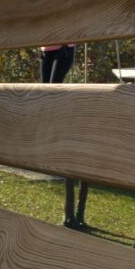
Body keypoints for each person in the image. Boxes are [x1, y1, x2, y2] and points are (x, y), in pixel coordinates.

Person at [40, 44, 88, 229]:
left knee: (52, 91)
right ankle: (49, 137)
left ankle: (55, 134)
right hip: (47, 51)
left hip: (63, 49)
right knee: (44, 93)